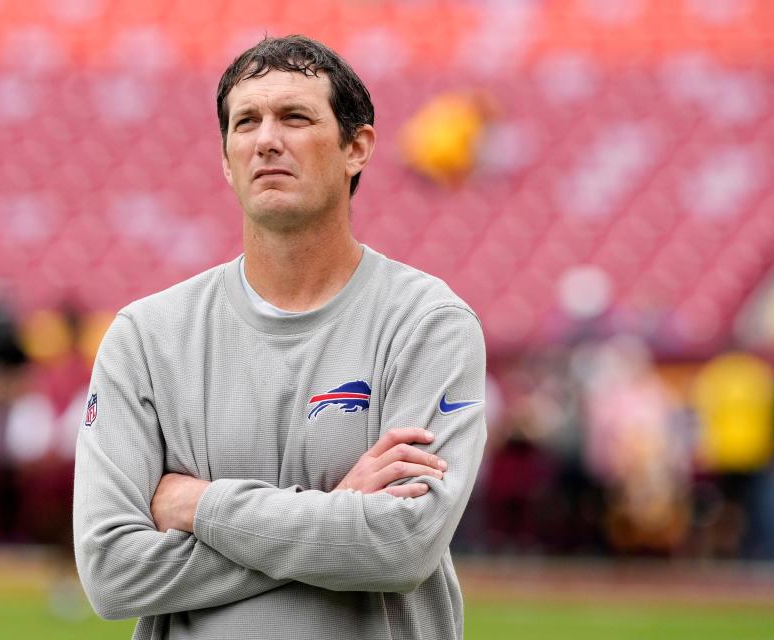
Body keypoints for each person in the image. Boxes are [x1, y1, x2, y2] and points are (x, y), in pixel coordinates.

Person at [73, 35, 487, 640]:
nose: (267, 139)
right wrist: (336, 511)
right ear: (225, 157)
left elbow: (402, 546)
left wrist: (198, 506)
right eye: (246, 122)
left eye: (295, 116)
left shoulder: (427, 324)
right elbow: (111, 574)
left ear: (357, 148)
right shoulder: (147, 337)